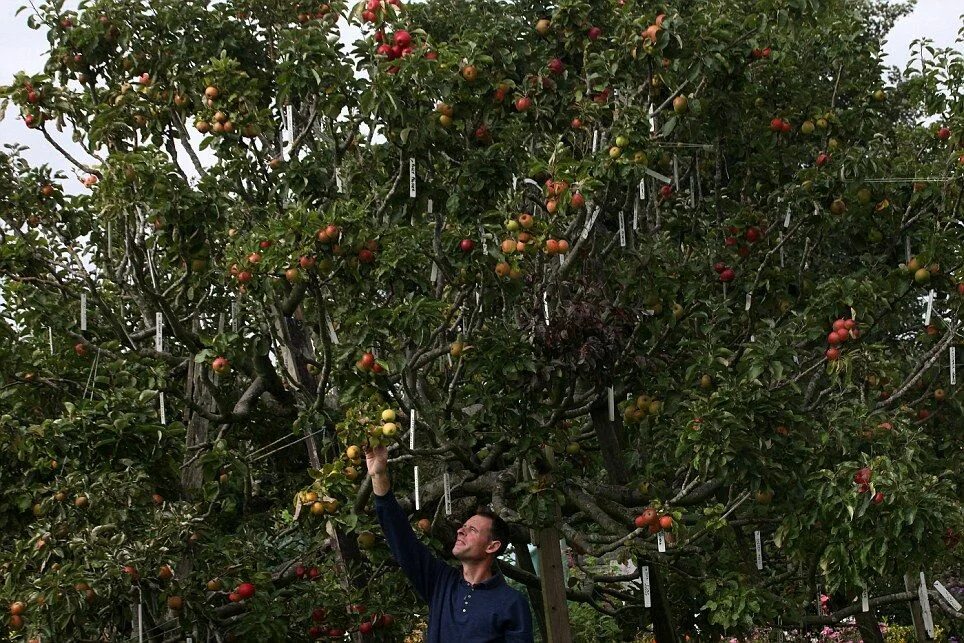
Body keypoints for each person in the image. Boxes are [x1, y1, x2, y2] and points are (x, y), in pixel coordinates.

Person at [365, 445, 533, 642]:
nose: (460, 530)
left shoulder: (511, 603)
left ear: (492, 546)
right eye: (463, 526)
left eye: (472, 530)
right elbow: (403, 541)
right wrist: (378, 476)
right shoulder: (441, 583)